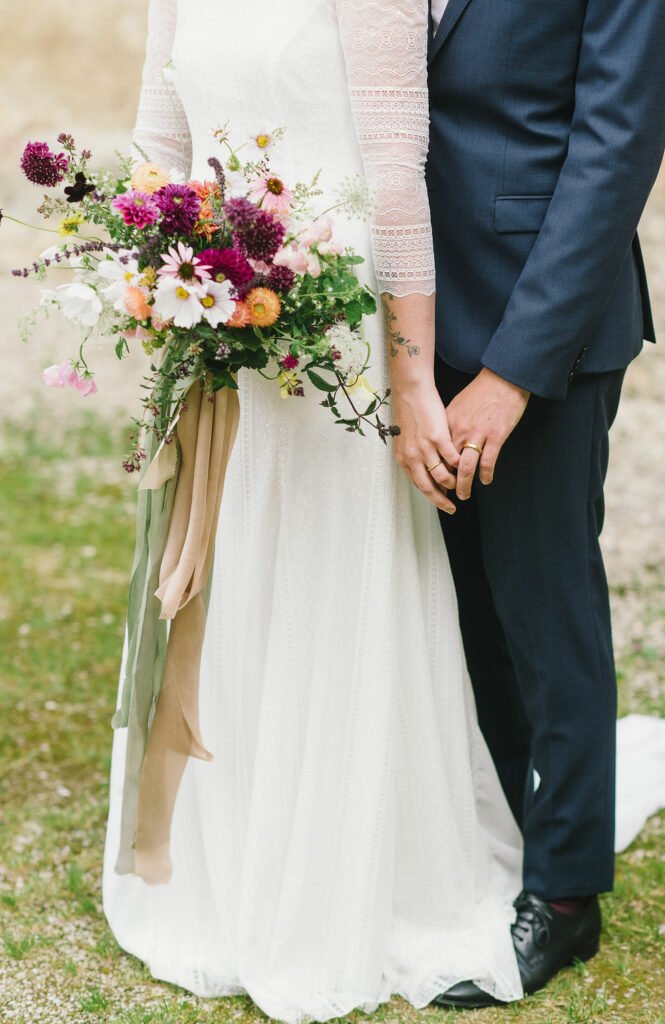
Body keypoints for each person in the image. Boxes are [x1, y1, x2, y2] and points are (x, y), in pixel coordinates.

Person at [103, 2, 527, 1020]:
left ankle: (349, 879)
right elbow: (159, 144)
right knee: (233, 574)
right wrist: (151, 273)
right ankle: (222, 869)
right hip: (221, 328)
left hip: (334, 332)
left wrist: (413, 378)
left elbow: (395, 179)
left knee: (329, 589)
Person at [426, 0, 665, 1009]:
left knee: (543, 609)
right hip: (412, 310)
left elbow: (616, 151)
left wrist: (514, 371)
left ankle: (566, 893)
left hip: (542, 324)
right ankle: (502, 832)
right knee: (462, 609)